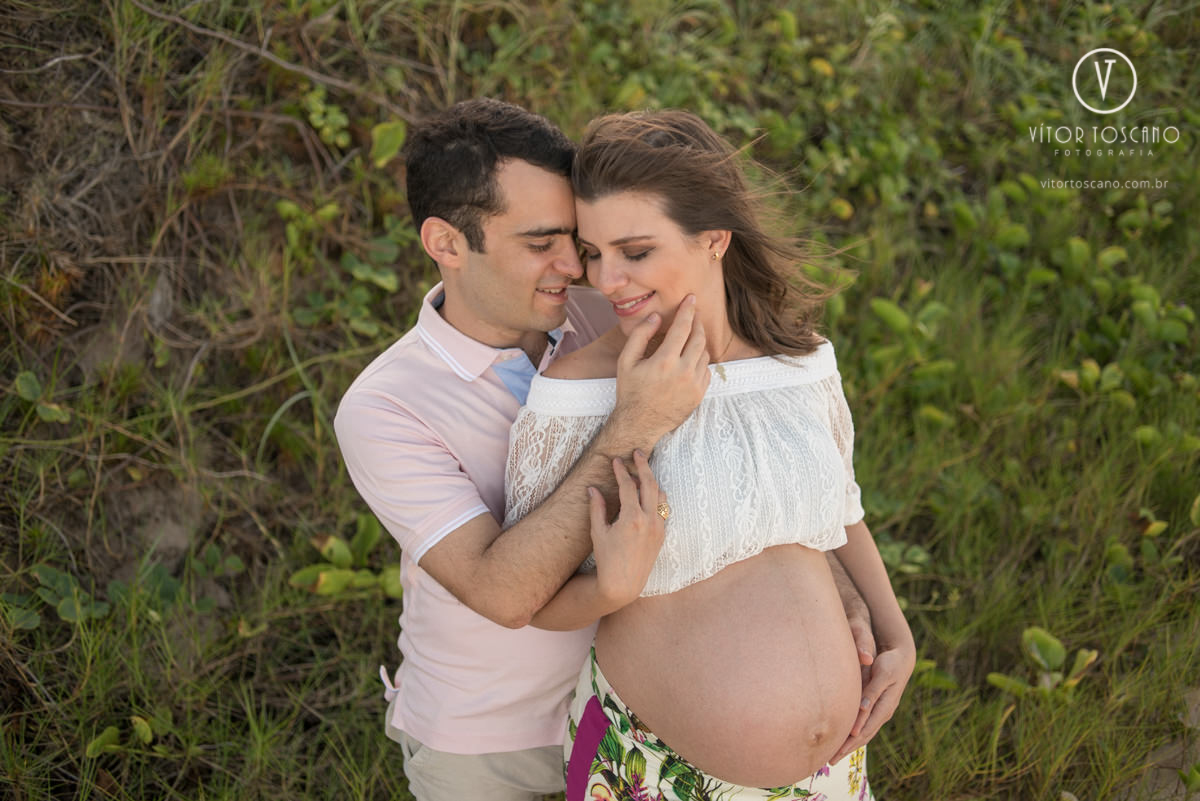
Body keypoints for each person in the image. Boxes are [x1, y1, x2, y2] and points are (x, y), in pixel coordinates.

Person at [334, 99, 877, 801]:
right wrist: (632, 423)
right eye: (542, 243)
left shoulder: (613, 313)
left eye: (577, 240)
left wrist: (836, 588)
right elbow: (502, 592)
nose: (578, 268)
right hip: (493, 737)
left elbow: (750, 461)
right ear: (446, 242)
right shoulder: (386, 406)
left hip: (627, 698)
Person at [502, 111, 916, 801]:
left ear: (715, 237)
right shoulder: (576, 392)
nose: (608, 280)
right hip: (656, 771)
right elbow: (531, 597)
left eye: (635, 251)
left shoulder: (801, 360)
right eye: (594, 252)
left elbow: (841, 512)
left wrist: (898, 635)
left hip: (830, 774)